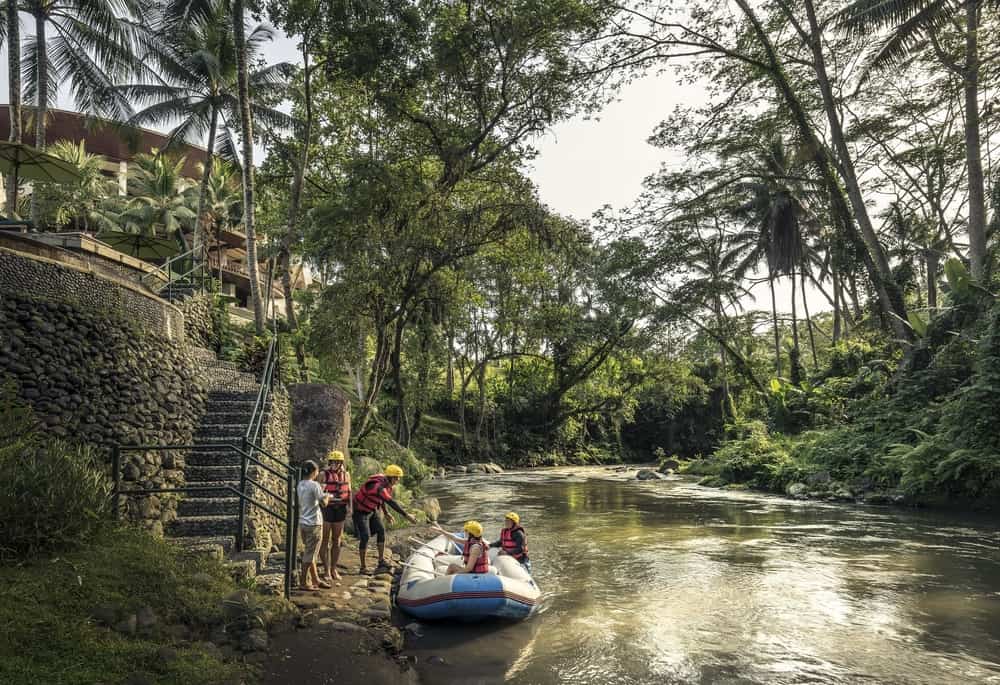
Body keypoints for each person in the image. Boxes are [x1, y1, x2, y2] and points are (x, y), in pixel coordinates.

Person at [352, 464, 418, 575]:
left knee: (381, 530)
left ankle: (381, 561)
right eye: (396, 478)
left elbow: (381, 500)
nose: (397, 480)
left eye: (398, 478)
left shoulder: (386, 484)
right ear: (390, 477)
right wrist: (407, 515)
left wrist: (386, 513)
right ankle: (363, 567)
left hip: (371, 510)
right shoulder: (379, 487)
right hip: (360, 511)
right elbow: (391, 502)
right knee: (365, 537)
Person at [296, 460, 331, 591]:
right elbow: (324, 503)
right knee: (310, 555)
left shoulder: (300, 484)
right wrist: (327, 495)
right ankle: (303, 582)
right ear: (314, 472)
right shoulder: (315, 485)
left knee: (310, 553)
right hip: (314, 523)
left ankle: (315, 579)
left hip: (303, 523)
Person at [319, 450, 351, 582]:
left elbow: (349, 491)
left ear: (341, 463)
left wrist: (351, 508)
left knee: (337, 540)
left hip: (341, 508)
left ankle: (333, 568)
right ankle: (326, 569)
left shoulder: (346, 475)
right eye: (333, 462)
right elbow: (318, 493)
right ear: (329, 462)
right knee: (325, 540)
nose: (335, 464)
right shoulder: (322, 474)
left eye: (337, 462)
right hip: (327, 509)